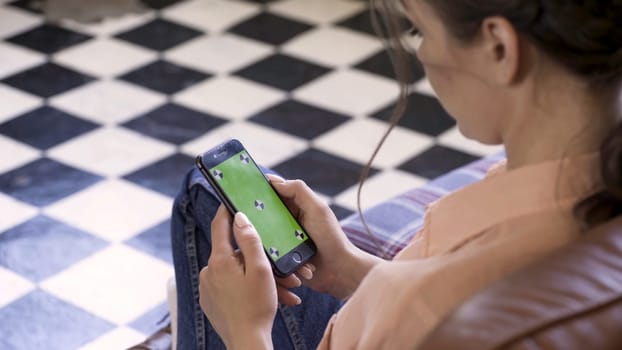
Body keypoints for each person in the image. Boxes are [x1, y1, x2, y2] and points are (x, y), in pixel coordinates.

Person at [165, 0, 622, 349]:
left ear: (498, 47)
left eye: (418, 29)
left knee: (203, 193)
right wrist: (349, 271)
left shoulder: (423, 311)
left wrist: (245, 330)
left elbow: (424, 303)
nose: (421, 53)